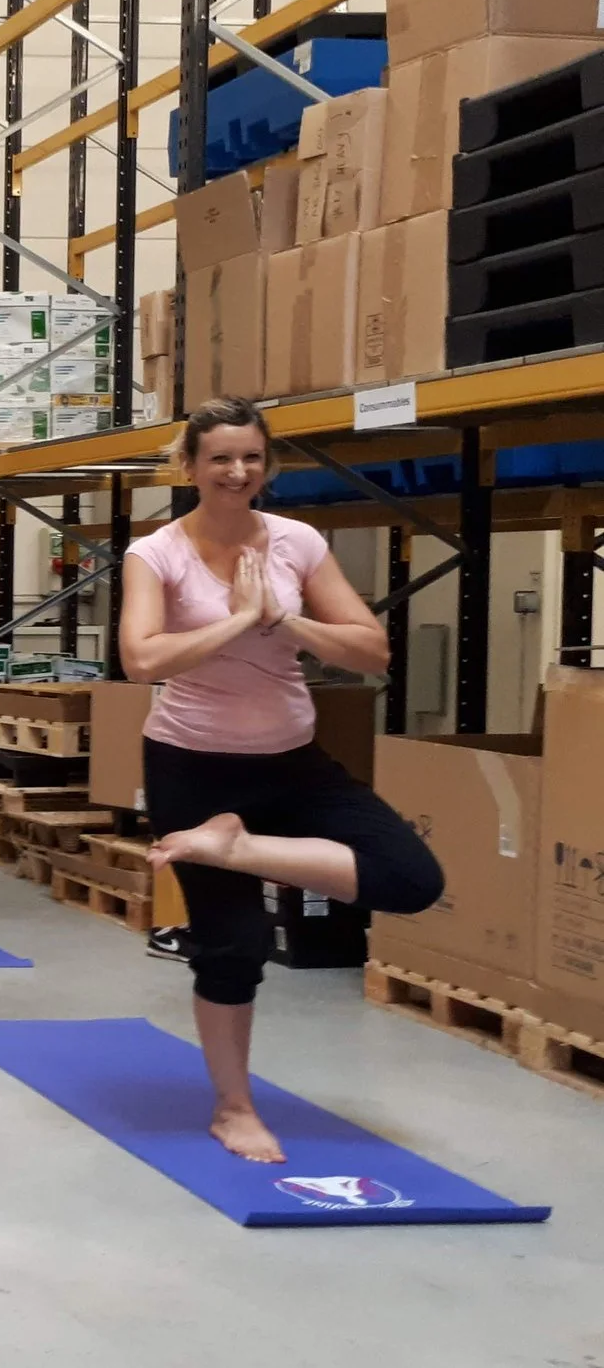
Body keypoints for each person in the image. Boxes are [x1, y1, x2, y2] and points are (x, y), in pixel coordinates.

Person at [121, 396, 441, 1164]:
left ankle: (234, 847)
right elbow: (140, 660)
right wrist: (236, 620)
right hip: (192, 766)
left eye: (252, 458)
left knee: (410, 877)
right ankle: (234, 1107)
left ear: (268, 464)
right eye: (221, 458)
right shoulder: (155, 553)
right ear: (191, 466)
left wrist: (284, 621)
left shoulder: (298, 542)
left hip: (293, 763)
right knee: (234, 944)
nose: (238, 472)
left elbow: (372, 649)